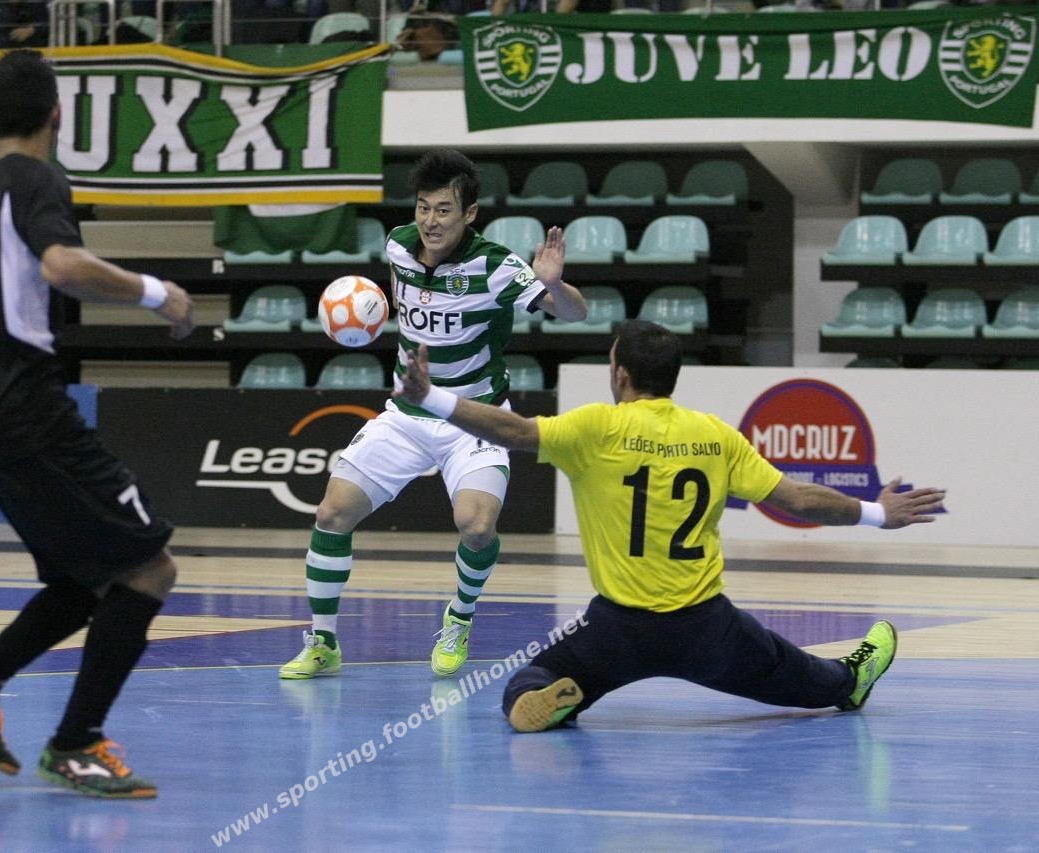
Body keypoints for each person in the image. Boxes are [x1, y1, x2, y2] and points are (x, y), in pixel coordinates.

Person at [395, 319, 946, 731]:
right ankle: (850, 681)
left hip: (616, 629)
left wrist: (431, 397)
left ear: (621, 374)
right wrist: (878, 513)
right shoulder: (715, 435)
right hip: (706, 629)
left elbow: (512, 432)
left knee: (525, 681)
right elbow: (799, 500)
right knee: (813, 679)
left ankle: (554, 699)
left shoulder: (597, 428)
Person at [0, 50, 195, 798]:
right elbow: (63, 266)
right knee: (150, 568)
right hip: (33, 413)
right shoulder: (35, 179)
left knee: (83, 578)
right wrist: (158, 293)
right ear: (57, 116)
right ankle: (75, 744)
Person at [280, 148, 588, 681]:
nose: (431, 221)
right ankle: (324, 641)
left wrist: (555, 285)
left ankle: (459, 618)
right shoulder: (398, 246)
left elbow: (577, 314)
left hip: (476, 418)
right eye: (424, 207)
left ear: (470, 214)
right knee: (331, 513)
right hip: (407, 414)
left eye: (444, 210)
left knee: (476, 526)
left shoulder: (495, 266)